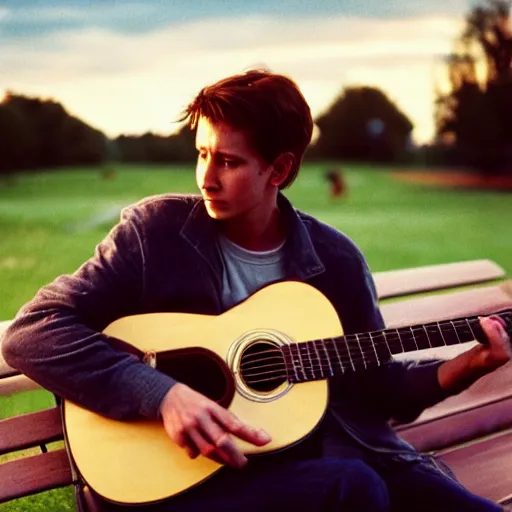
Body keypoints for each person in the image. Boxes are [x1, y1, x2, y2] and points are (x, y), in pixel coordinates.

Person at [1, 70, 510, 512]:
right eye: (202, 154)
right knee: (353, 489)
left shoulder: (334, 261)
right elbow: (32, 331)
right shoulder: (154, 235)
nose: (206, 177)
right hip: (169, 487)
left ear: (280, 170)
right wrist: (162, 394)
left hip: (304, 466)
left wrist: (466, 367)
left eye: (228, 161)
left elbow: (379, 389)